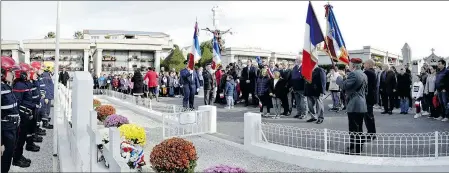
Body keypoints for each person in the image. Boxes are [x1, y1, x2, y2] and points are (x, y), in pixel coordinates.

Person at [336, 58, 368, 155]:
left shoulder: (354, 74)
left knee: (354, 128)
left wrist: (339, 79)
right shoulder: (364, 74)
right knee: (359, 127)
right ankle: (355, 146)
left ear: (353, 65)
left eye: (350, 64)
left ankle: (356, 150)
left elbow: (345, 86)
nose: (349, 66)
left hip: (355, 104)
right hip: (361, 103)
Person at [13, 63, 37, 168]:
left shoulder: (25, 83)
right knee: (20, 138)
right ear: (22, 74)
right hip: (22, 116)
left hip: (26, 115)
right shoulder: (19, 85)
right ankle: (16, 159)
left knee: (22, 138)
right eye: (27, 72)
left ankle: (19, 155)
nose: (29, 74)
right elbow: (19, 103)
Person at [1, 56, 22, 172]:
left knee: (8, 158)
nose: (14, 74)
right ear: (2, 72)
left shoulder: (7, 87)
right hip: (5, 131)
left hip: (11, 129)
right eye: (11, 71)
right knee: (3, 161)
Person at [363, 59, 377, 141]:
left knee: (368, 117)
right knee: (369, 116)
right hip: (370, 97)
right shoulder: (372, 72)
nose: (364, 65)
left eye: (365, 63)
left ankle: (371, 134)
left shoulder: (368, 72)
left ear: (368, 64)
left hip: (368, 98)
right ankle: (371, 133)